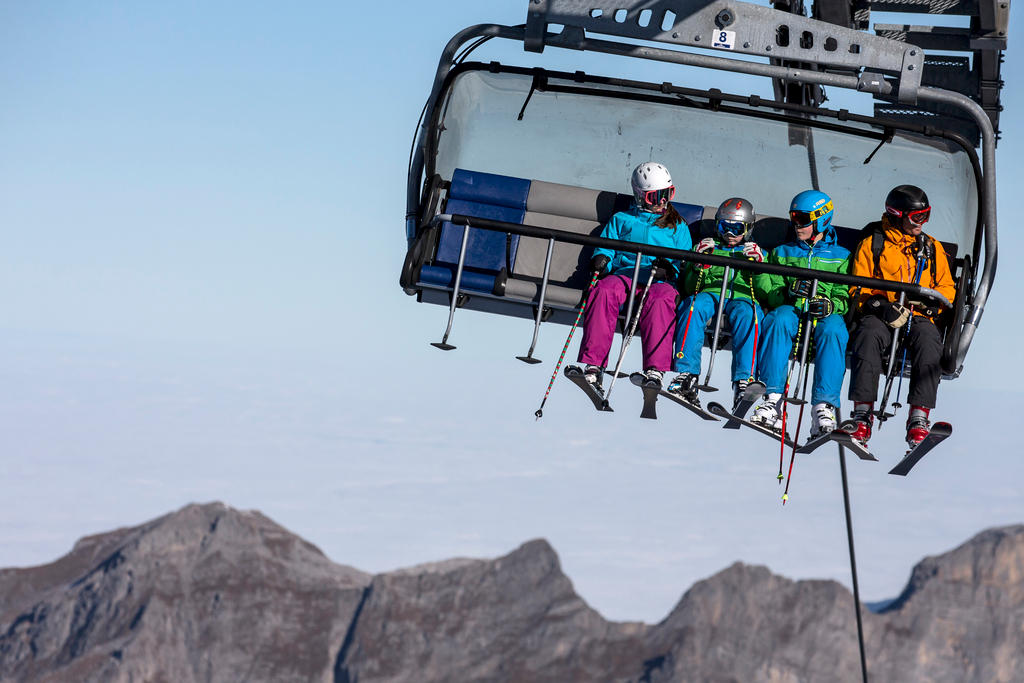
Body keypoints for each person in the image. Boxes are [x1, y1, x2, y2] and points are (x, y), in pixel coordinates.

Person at [844, 184, 956, 449]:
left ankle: (919, 418)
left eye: (926, 216)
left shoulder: (930, 247)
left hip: (916, 314)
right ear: (897, 214)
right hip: (883, 314)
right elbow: (858, 285)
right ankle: (862, 415)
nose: (922, 223)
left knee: (929, 339)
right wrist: (880, 306)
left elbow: (946, 287)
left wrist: (933, 305)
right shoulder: (874, 243)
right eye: (917, 217)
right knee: (868, 335)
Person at [569, 161, 693, 391]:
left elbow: (684, 261)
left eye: (667, 194)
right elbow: (607, 246)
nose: (663, 201)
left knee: (661, 300)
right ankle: (594, 366)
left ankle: (655, 369)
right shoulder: (622, 219)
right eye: (654, 197)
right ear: (639, 196)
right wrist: (602, 259)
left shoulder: (678, 226)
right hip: (626, 275)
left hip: (659, 280)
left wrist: (671, 268)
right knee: (603, 291)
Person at [749, 190, 850, 437]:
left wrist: (831, 305)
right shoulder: (782, 252)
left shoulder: (842, 257)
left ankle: (823, 407)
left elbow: (846, 296)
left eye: (802, 219)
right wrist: (789, 292)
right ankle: (772, 398)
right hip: (793, 310)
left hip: (822, 315)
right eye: (793, 218)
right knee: (778, 318)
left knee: (834, 329)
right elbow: (769, 291)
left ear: (822, 219)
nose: (796, 225)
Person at [667, 197, 764, 407]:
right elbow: (689, 287)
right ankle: (687, 374)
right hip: (711, 293)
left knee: (750, 315)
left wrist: (760, 267)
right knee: (694, 305)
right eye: (724, 227)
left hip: (743, 296)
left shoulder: (756, 253)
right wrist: (698, 262)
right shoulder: (708, 248)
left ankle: (743, 379)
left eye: (737, 228)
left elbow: (767, 292)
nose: (730, 235)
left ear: (748, 229)